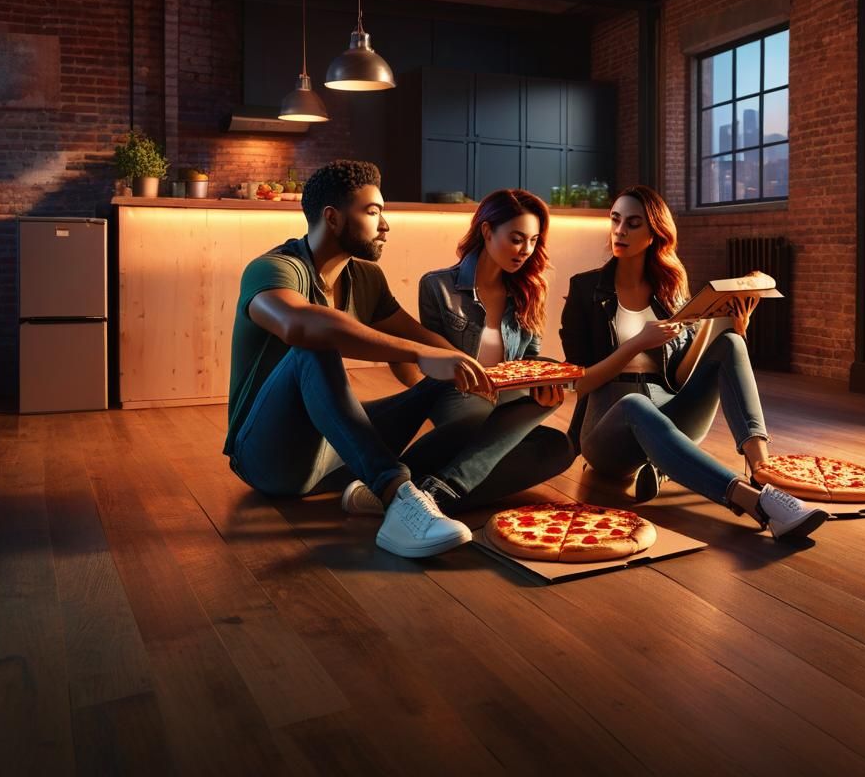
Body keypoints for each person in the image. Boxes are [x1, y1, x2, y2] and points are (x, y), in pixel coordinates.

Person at [224, 159, 499, 559]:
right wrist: (421, 354)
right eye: (372, 212)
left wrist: (478, 376)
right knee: (314, 344)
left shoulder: (365, 278)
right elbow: (299, 325)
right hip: (268, 458)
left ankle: (398, 487)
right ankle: (398, 498)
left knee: (449, 379)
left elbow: (417, 342)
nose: (385, 225)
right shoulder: (273, 269)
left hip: (335, 456)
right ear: (332, 218)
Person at [559, 184, 827, 541]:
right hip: (608, 428)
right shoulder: (585, 289)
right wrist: (638, 343)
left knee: (730, 342)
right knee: (635, 404)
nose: (620, 230)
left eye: (633, 223)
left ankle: (764, 474)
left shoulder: (670, 288)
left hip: (670, 409)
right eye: (616, 220)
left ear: (655, 233)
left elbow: (681, 375)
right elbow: (578, 383)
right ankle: (753, 502)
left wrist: (732, 327)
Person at [385, 189, 575, 511]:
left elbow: (529, 360)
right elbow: (434, 361)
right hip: (460, 393)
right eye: (516, 239)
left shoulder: (530, 290)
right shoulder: (437, 286)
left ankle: (435, 490)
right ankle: (423, 485)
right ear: (487, 231)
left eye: (533, 241)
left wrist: (547, 383)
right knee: (478, 423)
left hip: (510, 398)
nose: (526, 251)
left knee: (560, 446)